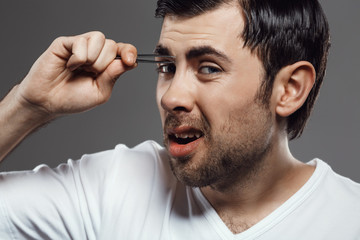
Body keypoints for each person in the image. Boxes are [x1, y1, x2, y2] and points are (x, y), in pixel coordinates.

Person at [0, 0, 359, 239]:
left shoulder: (350, 219)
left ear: (290, 89)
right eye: (167, 67)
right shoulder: (114, 186)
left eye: (208, 68)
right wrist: (27, 105)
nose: (171, 97)